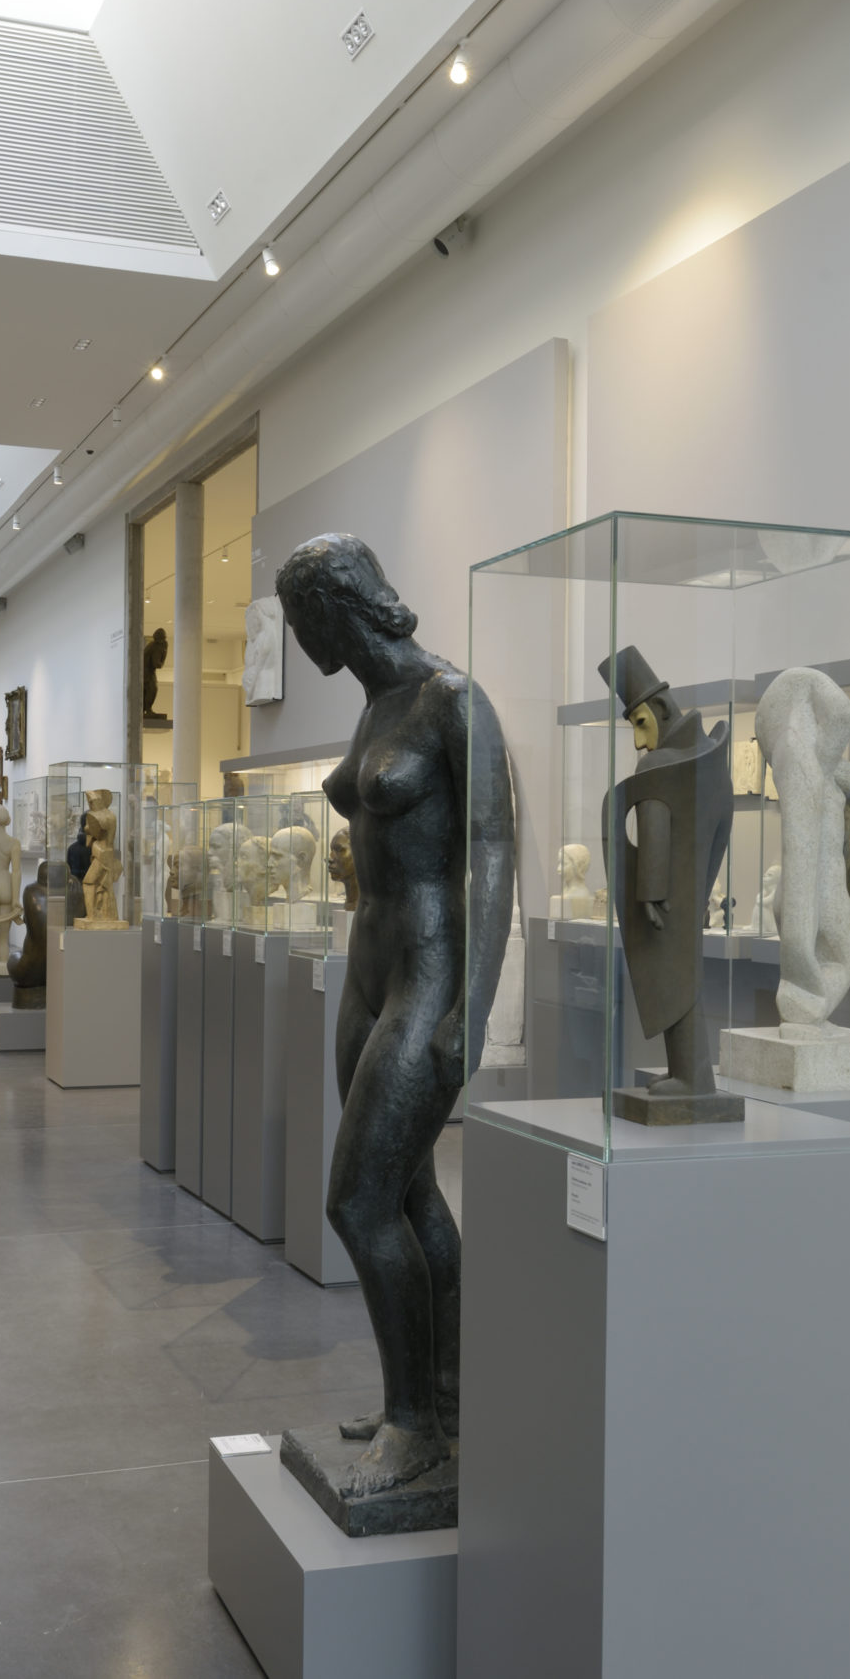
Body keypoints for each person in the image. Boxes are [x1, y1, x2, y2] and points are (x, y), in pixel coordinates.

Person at [275, 533, 515, 1502]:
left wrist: (473, 1005)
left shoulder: (451, 698)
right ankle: (444, 1400)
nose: (299, 642)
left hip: (428, 968)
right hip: (369, 969)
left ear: (338, 609)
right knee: (409, 1194)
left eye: (301, 620)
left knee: (358, 1202)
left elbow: (493, 849)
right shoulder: (375, 704)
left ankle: (414, 1425)